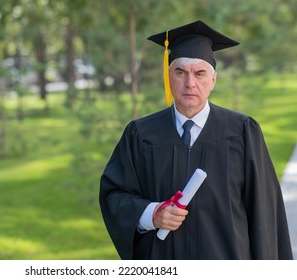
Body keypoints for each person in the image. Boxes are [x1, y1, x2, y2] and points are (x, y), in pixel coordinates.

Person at [99, 20, 293, 260]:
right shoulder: (141, 134)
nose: (190, 83)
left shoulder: (242, 132)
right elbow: (115, 195)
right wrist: (152, 214)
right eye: (180, 72)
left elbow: (265, 213)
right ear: (169, 77)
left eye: (200, 73)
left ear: (213, 80)